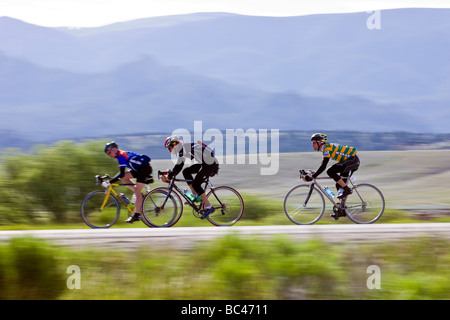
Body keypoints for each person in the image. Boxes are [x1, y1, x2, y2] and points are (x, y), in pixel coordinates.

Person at [161, 135, 219, 219]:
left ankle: (209, 207)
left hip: (210, 163)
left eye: (169, 148)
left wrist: (169, 176)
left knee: (196, 184)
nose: (169, 151)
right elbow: (179, 167)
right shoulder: (184, 147)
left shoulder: (182, 148)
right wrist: (170, 174)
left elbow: (179, 165)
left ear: (174, 145)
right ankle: (195, 196)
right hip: (204, 163)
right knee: (186, 171)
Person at [103, 141, 153, 223]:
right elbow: (122, 175)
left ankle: (137, 215)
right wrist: (111, 180)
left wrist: (109, 182)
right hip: (138, 169)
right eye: (107, 154)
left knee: (137, 190)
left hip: (144, 169)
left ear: (115, 149)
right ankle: (139, 195)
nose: (109, 155)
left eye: (109, 152)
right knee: (124, 178)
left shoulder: (121, 155)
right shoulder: (121, 155)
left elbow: (121, 173)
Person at [304, 133, 360, 200]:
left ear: (319, 143)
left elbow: (323, 166)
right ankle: (342, 207)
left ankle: (348, 190)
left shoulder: (327, 149)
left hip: (352, 161)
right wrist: (313, 174)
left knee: (330, 171)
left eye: (314, 143)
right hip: (348, 162)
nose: (312, 145)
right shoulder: (326, 148)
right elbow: (322, 164)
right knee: (339, 185)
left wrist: (313, 176)